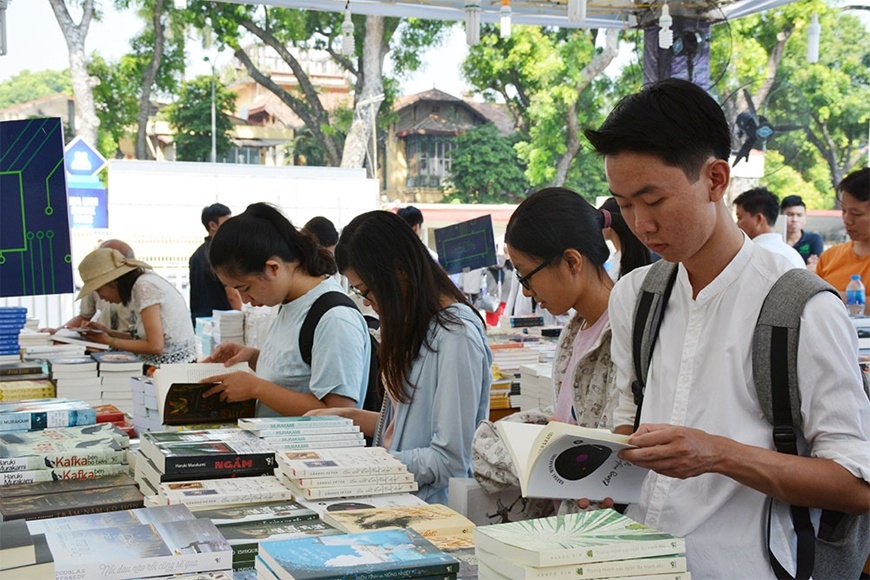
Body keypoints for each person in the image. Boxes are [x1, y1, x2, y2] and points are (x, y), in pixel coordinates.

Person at [584, 78, 870, 578]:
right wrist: (601, 478)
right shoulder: (636, 295)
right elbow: (628, 423)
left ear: (716, 179)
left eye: (653, 200)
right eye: (624, 205)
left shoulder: (801, 308)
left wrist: (719, 454)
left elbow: (854, 484)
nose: (640, 225)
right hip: (638, 560)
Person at [472, 187, 650, 513]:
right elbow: (568, 419)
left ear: (571, 261)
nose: (527, 291)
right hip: (568, 524)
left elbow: (607, 450)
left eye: (527, 276)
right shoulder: (574, 330)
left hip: (603, 533)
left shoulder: (624, 331)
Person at [306, 210, 491, 504]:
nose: (368, 302)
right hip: (399, 498)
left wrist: (366, 467)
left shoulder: (456, 335)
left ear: (400, 271)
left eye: (368, 290)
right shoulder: (415, 323)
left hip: (433, 510)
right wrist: (349, 417)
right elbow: (407, 426)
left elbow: (450, 460)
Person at [200, 202, 371, 417]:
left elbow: (338, 413)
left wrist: (256, 388)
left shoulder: (334, 318)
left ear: (273, 268)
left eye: (245, 288)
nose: (245, 300)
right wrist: (253, 357)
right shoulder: (291, 302)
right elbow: (300, 372)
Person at [77, 248, 196, 366]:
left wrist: (108, 341)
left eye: (99, 291)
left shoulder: (144, 287)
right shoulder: (141, 284)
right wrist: (109, 333)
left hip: (171, 369)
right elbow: (143, 338)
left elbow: (155, 346)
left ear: (113, 283)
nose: (101, 298)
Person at [42, 239, 137, 334]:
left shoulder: (141, 287)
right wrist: (58, 332)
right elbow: (85, 316)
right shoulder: (95, 281)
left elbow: (147, 339)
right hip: (104, 342)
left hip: (131, 343)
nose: (101, 296)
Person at [816, 168, 870, 310]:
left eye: (856, 214)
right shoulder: (829, 257)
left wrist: (830, 297)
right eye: (844, 211)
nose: (847, 220)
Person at [189, 203, 242, 328]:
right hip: (223, 324)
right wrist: (242, 318)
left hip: (200, 323)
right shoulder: (223, 252)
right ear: (213, 225)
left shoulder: (196, 255)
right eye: (227, 221)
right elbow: (232, 295)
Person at [733, 187, 805, 269]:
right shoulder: (794, 255)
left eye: (740, 218)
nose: (737, 224)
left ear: (758, 219)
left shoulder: (749, 256)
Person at [781, 194, 824, 269]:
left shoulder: (814, 240)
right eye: (790, 215)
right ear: (781, 216)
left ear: (805, 218)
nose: (794, 219)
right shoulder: (775, 241)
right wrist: (806, 268)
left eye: (799, 215)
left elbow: (816, 269)